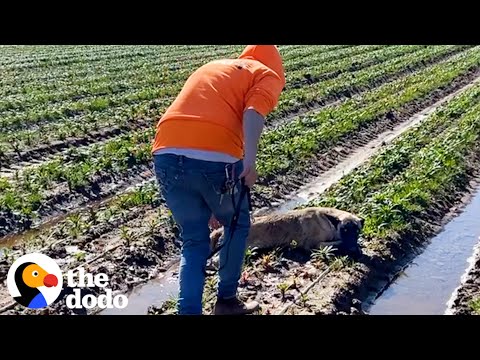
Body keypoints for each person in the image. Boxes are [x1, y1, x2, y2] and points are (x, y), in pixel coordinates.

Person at [151, 45, 285, 315]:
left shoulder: (217, 67)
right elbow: (253, 112)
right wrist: (249, 161)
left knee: (194, 240)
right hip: (216, 157)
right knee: (237, 225)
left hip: (165, 151)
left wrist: (212, 202)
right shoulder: (266, 74)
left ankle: (188, 311)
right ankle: (226, 301)